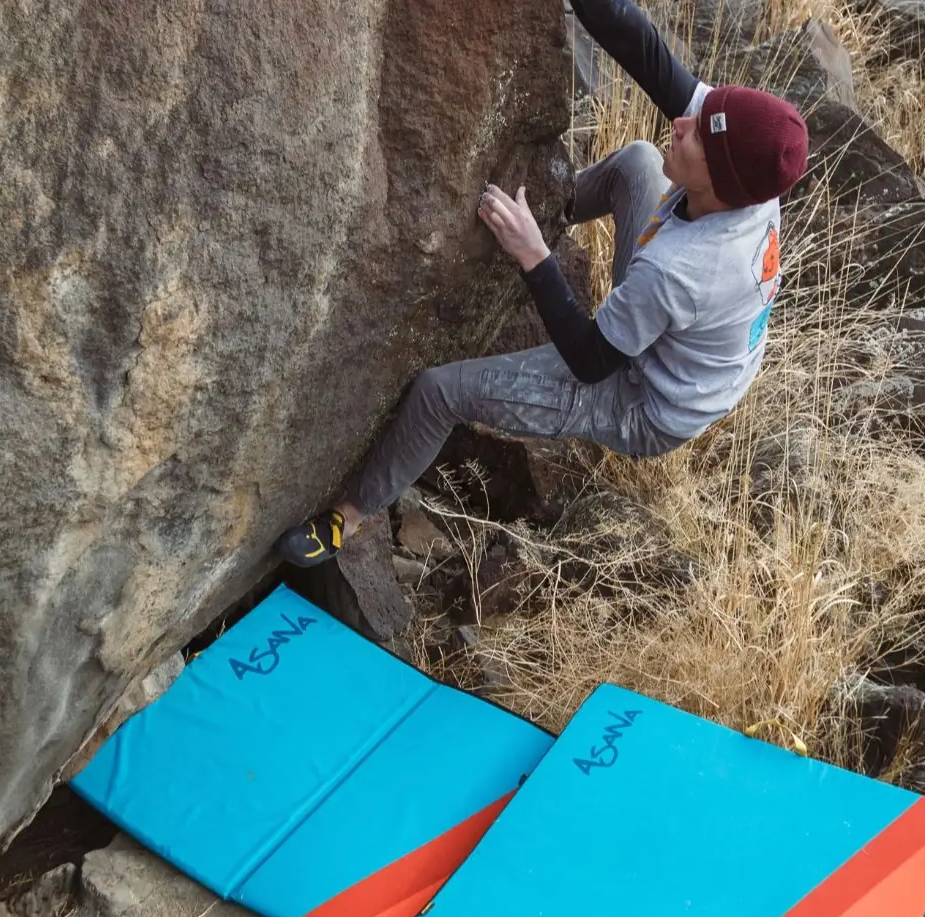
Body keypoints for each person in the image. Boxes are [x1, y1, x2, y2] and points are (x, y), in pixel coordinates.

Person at [276, 0, 809, 567]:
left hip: (646, 398)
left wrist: (535, 253)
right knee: (639, 161)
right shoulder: (752, 171)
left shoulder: (685, 272)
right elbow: (642, 48)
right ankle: (554, 203)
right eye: (698, 116)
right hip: (685, 337)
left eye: (697, 136)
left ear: (723, 183)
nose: (681, 122)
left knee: (438, 392)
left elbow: (588, 359)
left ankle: (349, 516)